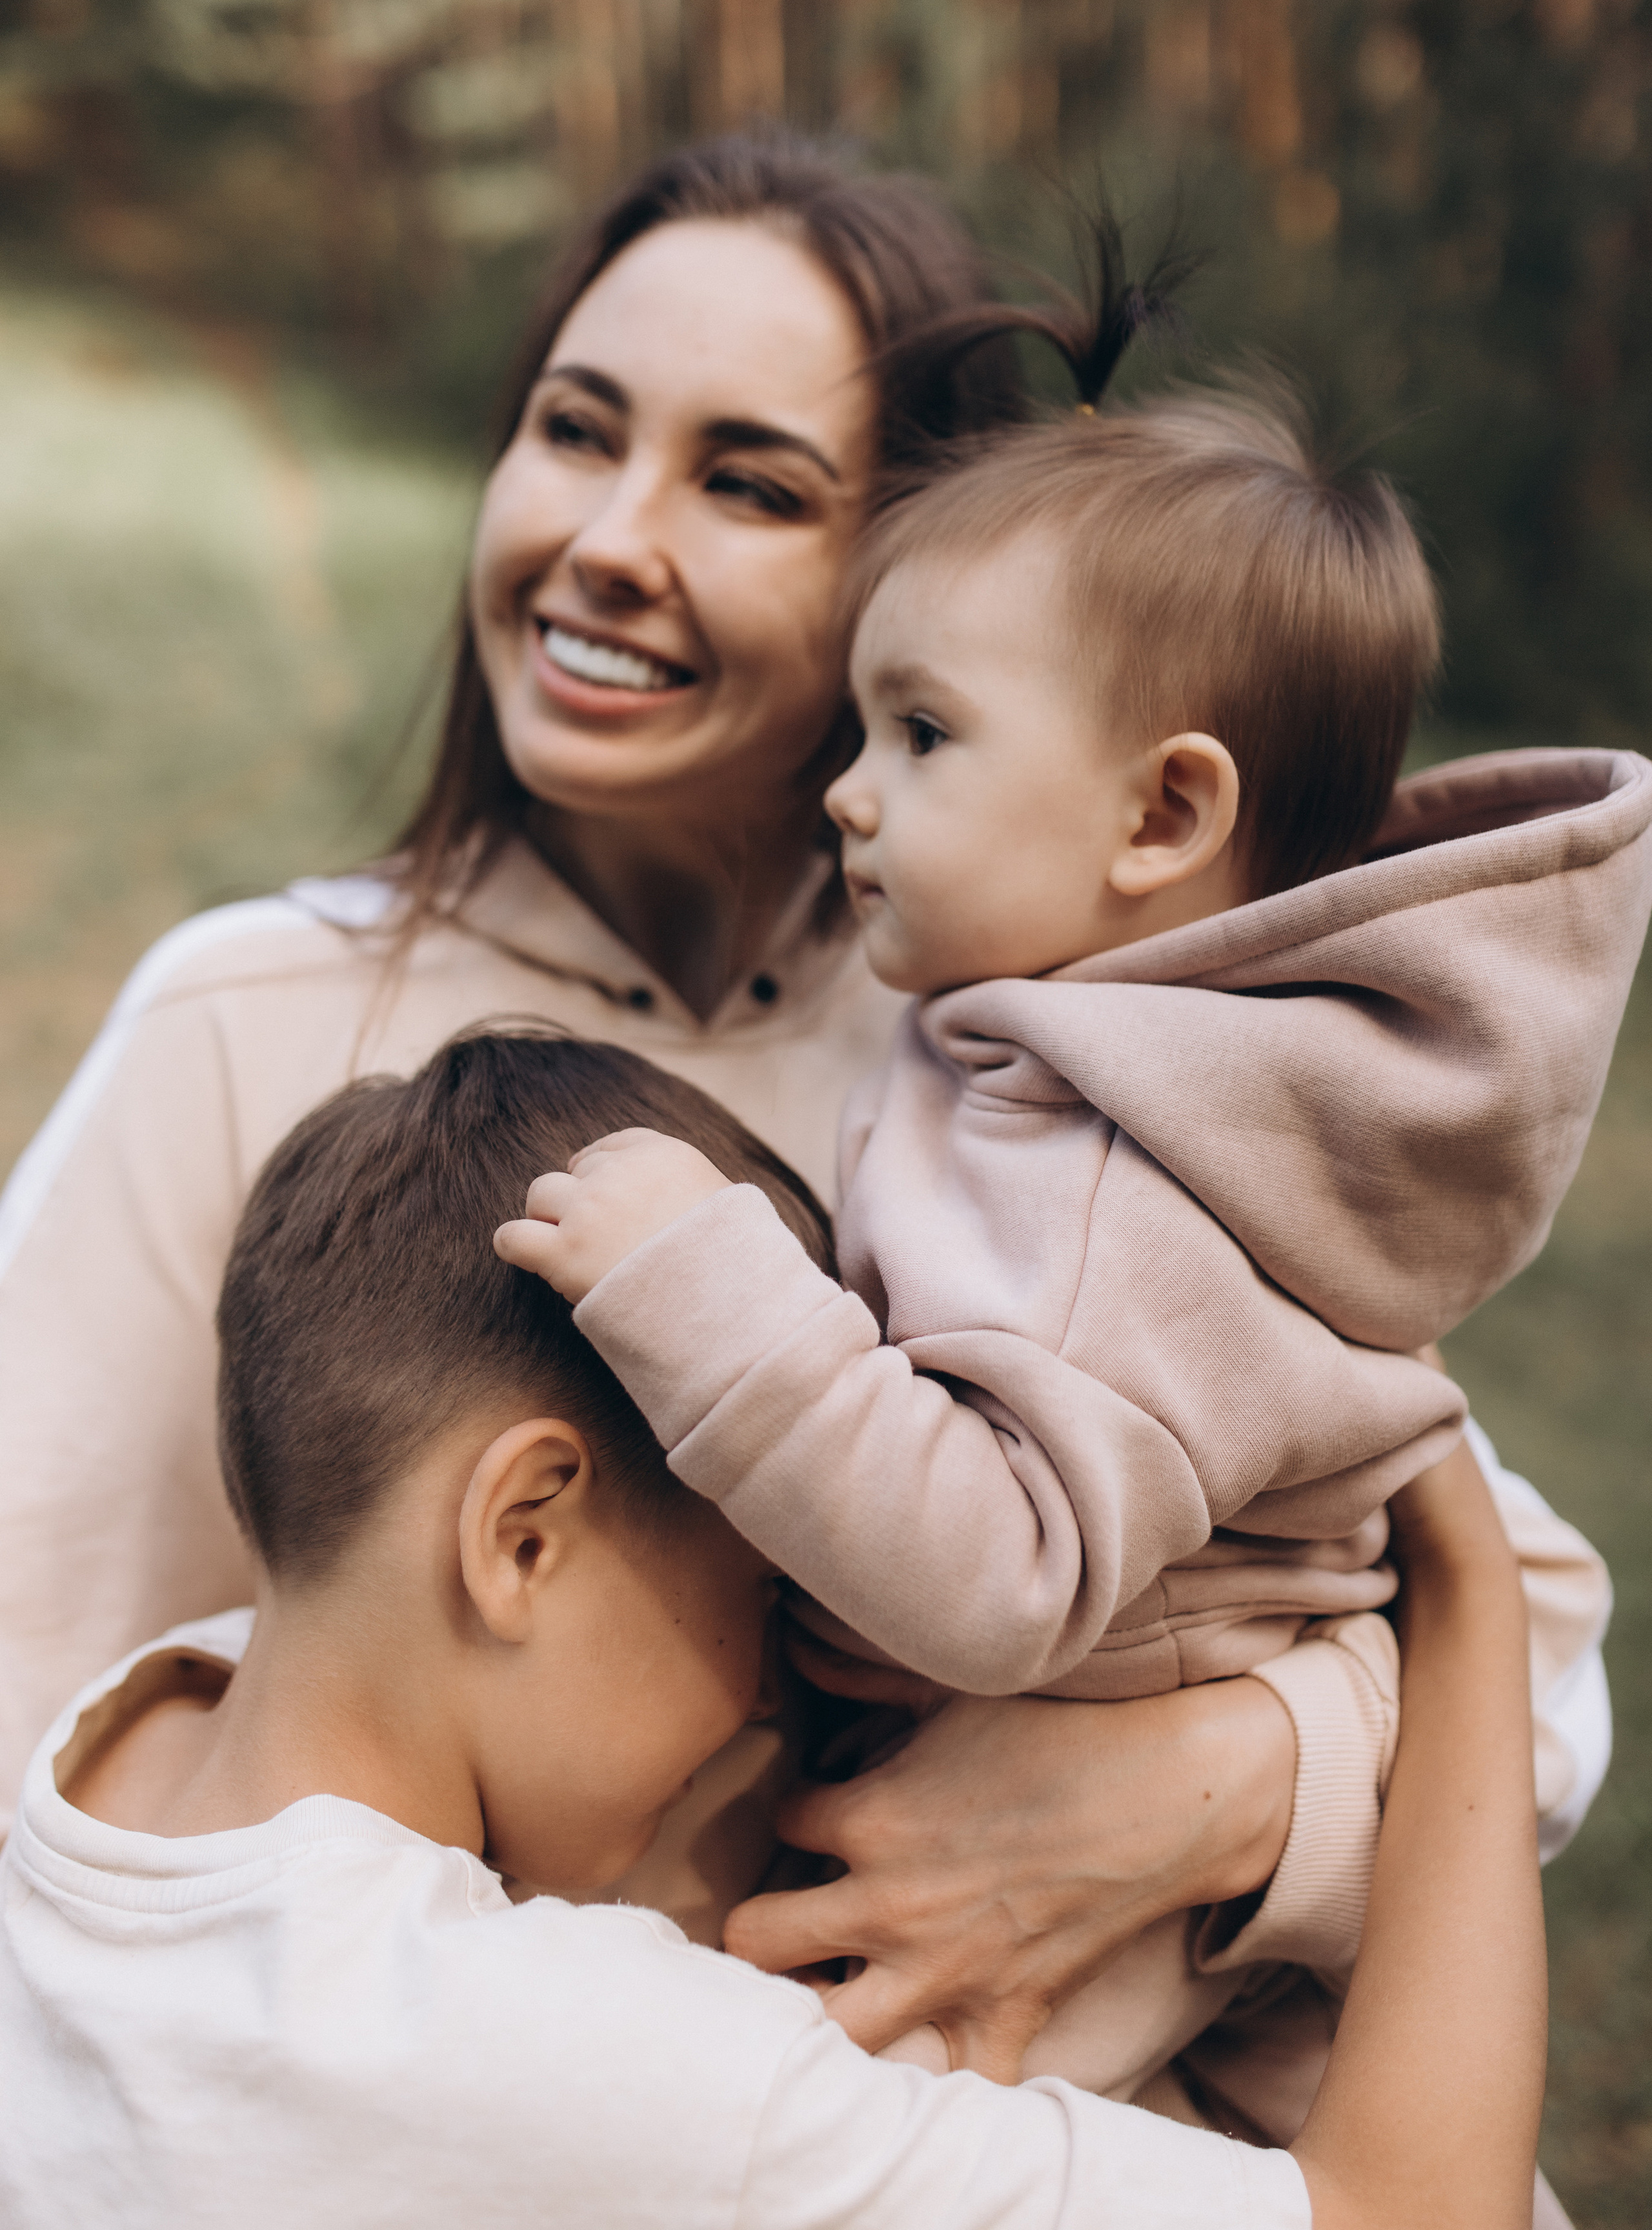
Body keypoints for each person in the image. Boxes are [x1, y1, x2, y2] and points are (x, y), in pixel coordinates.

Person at [0, 132, 1611, 2101]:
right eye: (575, 431)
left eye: (746, 482)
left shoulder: (1055, 1056)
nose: (611, 533)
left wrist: (1212, 1792)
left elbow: (1513, 1629)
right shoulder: (244, 1024)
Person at [0, 1027, 1546, 2230]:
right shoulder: (552, 2061)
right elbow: (1406, 2210)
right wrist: (1464, 1589)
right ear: (520, 1534)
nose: (777, 1676)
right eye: (765, 1592)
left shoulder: (98, 1784)